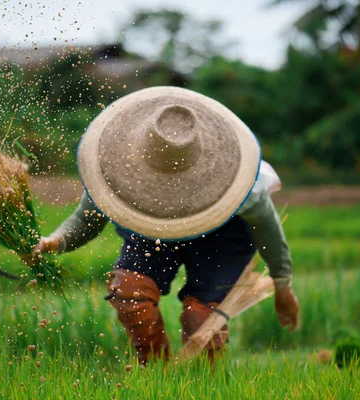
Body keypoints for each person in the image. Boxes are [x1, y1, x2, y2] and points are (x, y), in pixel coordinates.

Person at [33, 86, 299, 363]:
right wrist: (54, 241)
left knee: (202, 320)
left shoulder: (242, 187)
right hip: (153, 229)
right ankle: (157, 377)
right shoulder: (118, 169)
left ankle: (204, 386)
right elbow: (86, 220)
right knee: (130, 296)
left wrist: (283, 286)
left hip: (223, 234)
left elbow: (270, 234)